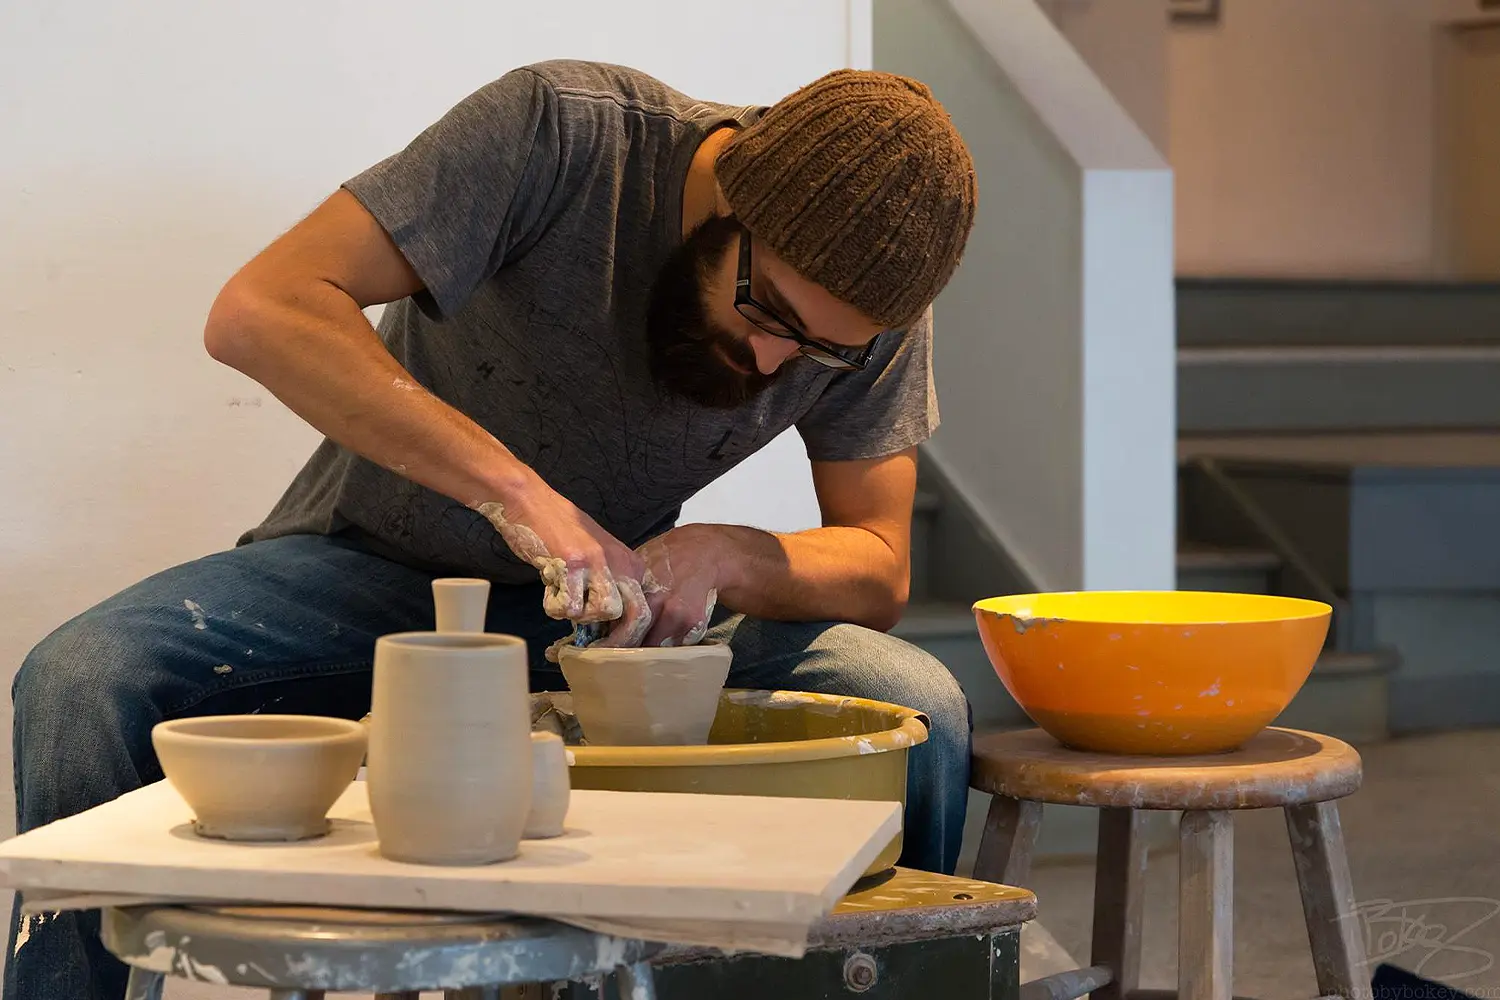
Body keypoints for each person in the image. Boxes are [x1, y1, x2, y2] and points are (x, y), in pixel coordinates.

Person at [7, 60, 978, 1000]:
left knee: (911, 701)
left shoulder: (870, 300)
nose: (775, 358)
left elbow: (878, 560)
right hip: (371, 579)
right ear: (729, 192)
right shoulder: (562, 132)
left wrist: (731, 554)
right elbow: (259, 309)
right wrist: (519, 492)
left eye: (821, 350)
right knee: (87, 679)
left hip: (605, 620)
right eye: (766, 308)